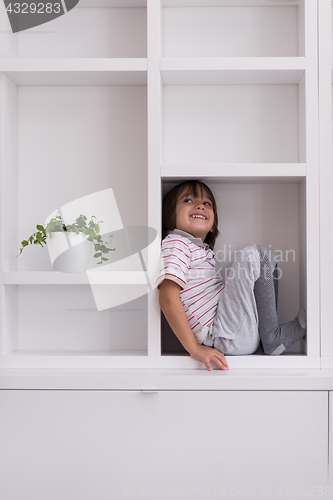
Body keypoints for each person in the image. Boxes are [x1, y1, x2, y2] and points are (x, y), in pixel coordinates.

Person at [156, 180, 306, 372]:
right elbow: (167, 298)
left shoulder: (200, 249)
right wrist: (194, 349)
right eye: (188, 200)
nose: (200, 205)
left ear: (212, 225)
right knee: (254, 255)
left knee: (266, 258)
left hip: (229, 332)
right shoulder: (176, 243)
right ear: (170, 214)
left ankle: (268, 336)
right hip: (222, 335)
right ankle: (272, 337)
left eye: (207, 203)